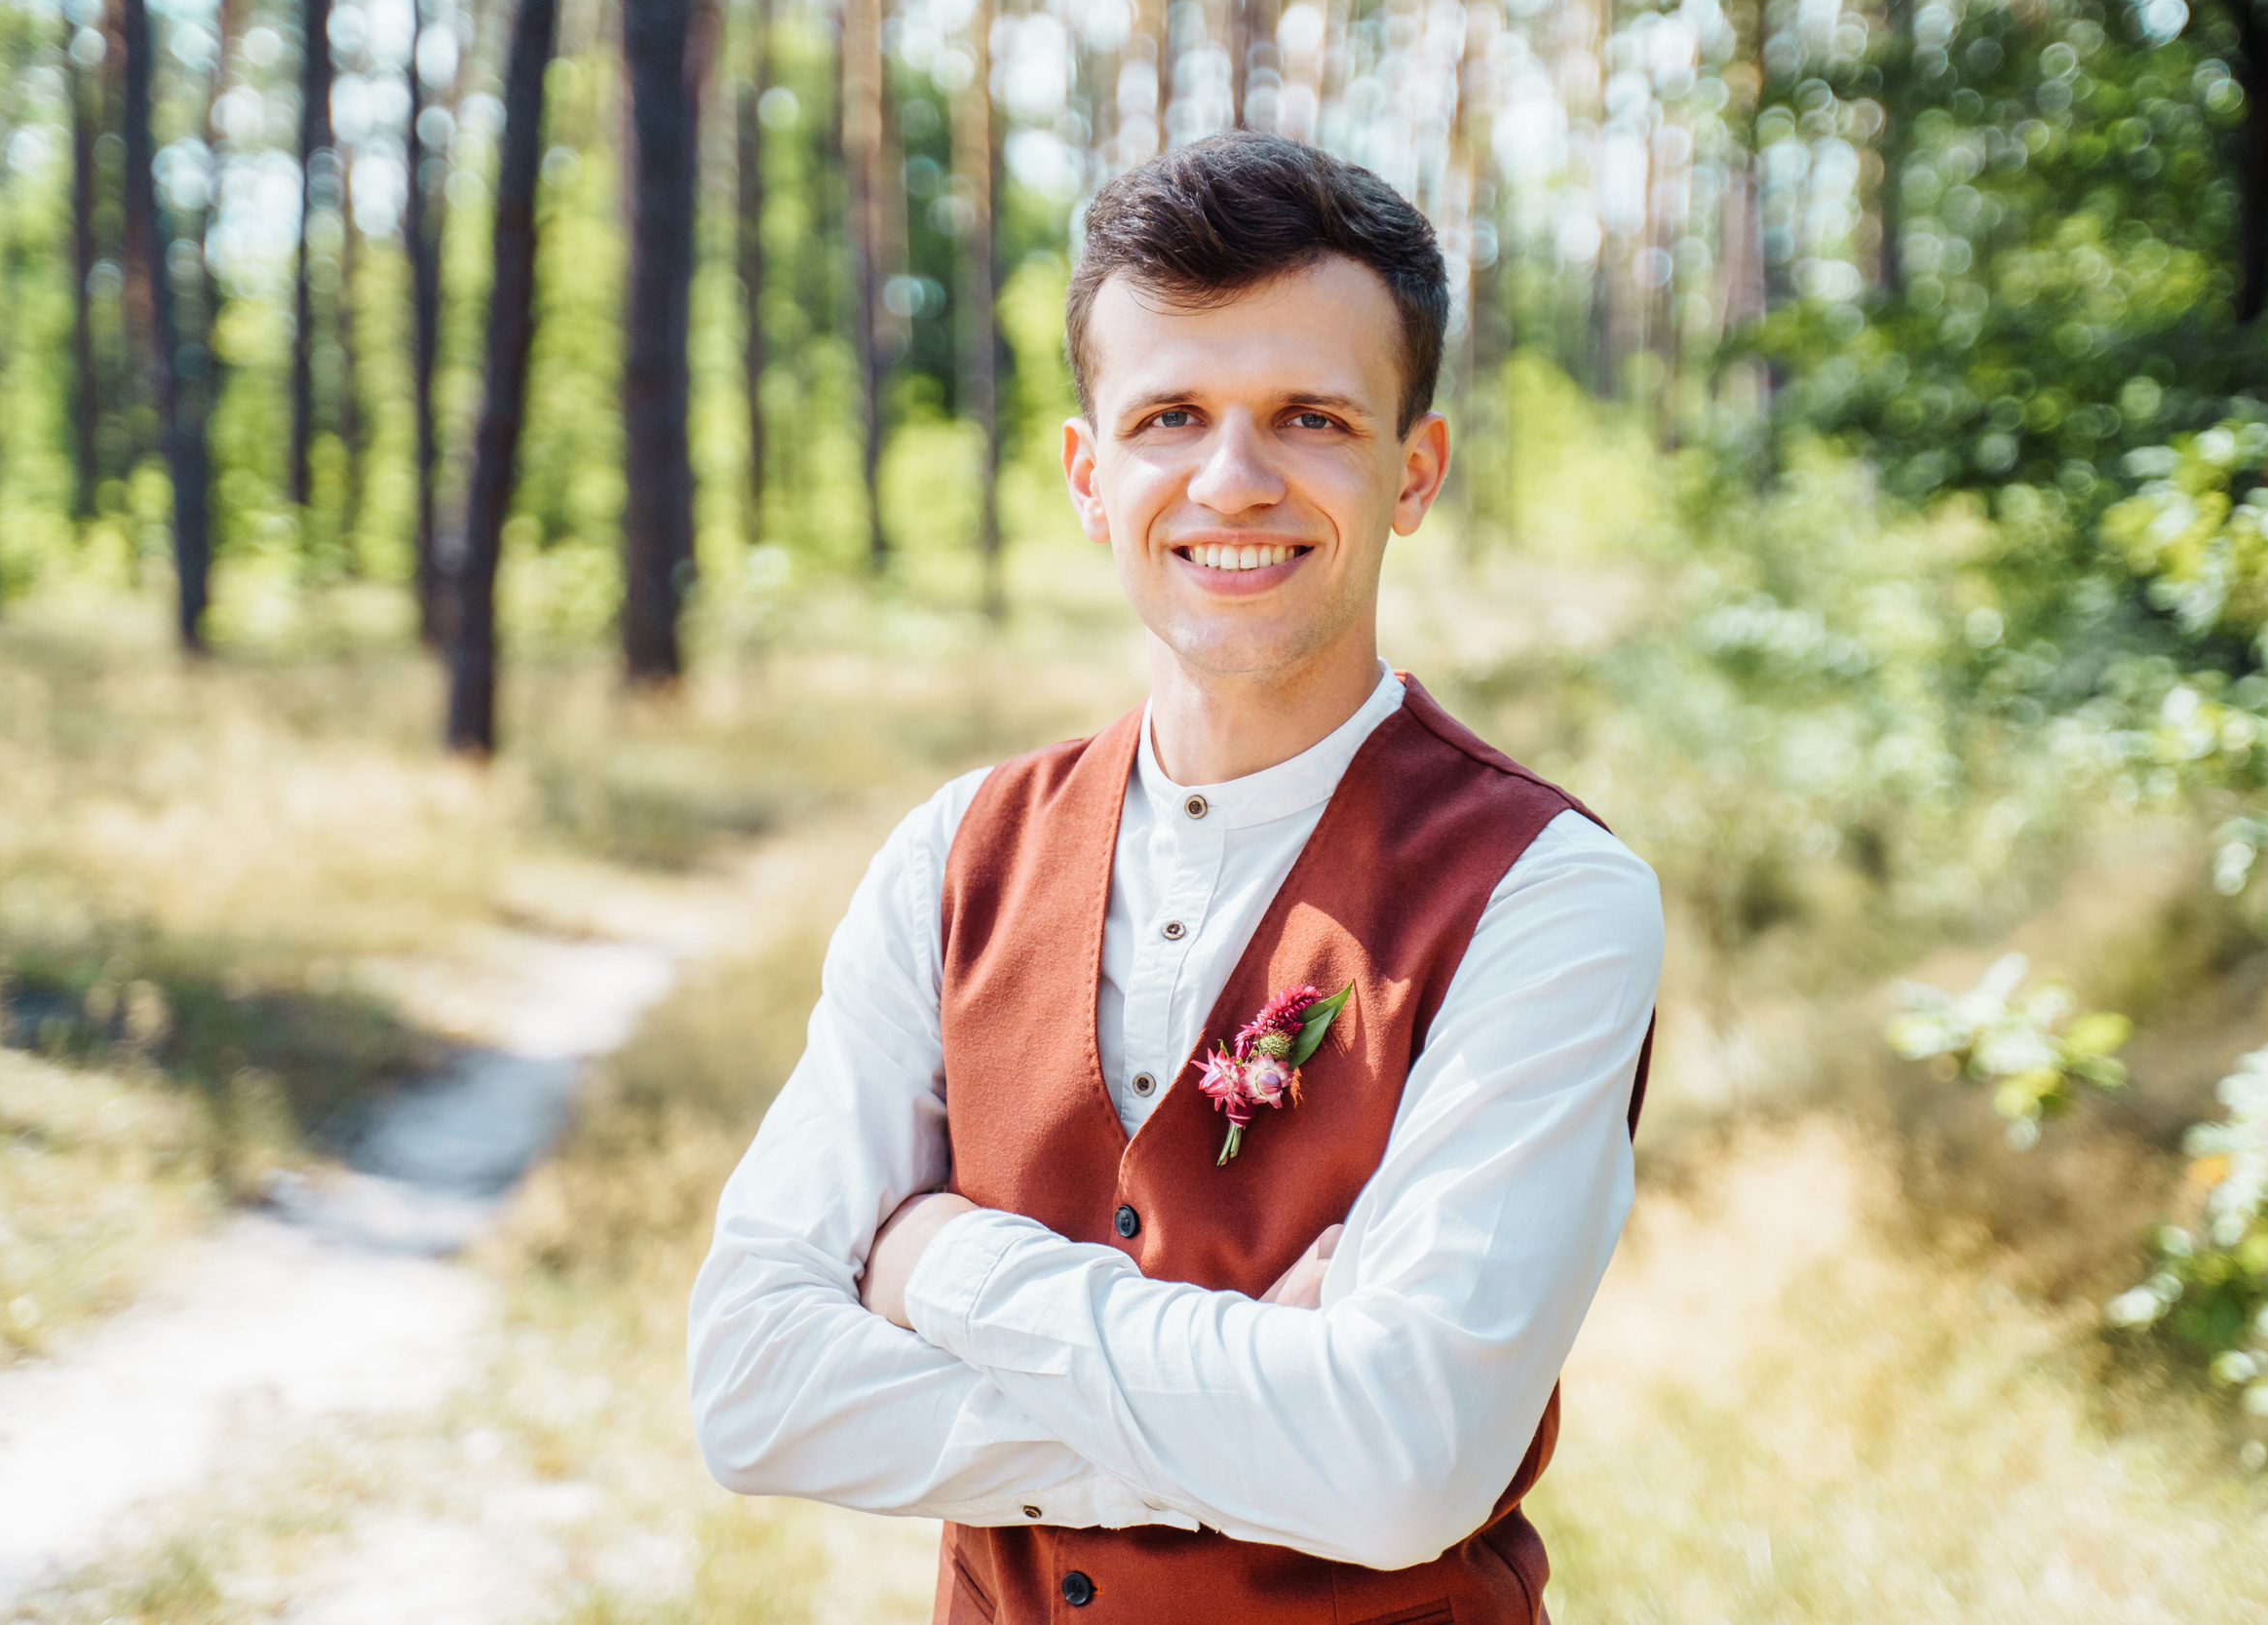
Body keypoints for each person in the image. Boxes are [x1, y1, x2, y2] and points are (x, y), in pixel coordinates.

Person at [688, 132, 1663, 1625]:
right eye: (1170, 416)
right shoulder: (957, 856)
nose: (1233, 478)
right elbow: (753, 1391)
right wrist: (1259, 1429)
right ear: (1091, 475)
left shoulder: (1546, 896)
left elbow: (1404, 1464)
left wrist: (945, 1269)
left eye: (1311, 417)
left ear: (1415, 471)